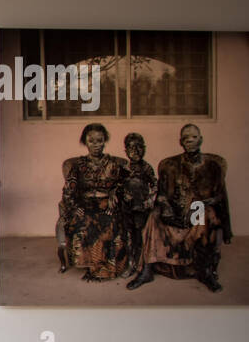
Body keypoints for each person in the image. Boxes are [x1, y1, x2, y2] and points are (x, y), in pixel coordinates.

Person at [127, 124, 231, 293]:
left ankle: (205, 271)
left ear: (201, 139)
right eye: (185, 138)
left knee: (206, 216)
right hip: (175, 211)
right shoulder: (170, 165)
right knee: (154, 216)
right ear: (180, 142)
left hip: (198, 211)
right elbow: (161, 194)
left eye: (194, 137)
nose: (190, 140)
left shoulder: (213, 166)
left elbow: (219, 196)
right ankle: (146, 270)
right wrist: (166, 206)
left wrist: (200, 205)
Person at [55, 123, 128, 280]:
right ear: (85, 142)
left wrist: (115, 193)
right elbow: (68, 189)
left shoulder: (113, 164)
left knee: (111, 219)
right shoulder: (78, 165)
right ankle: (93, 265)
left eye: (99, 140)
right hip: (85, 204)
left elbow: (125, 184)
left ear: (104, 141)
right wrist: (74, 207)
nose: (96, 145)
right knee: (84, 219)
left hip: (107, 204)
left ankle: (108, 266)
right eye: (91, 141)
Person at [119, 132, 157, 278]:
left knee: (140, 236)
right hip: (126, 209)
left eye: (140, 147)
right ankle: (130, 264)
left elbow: (154, 186)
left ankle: (140, 265)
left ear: (145, 148)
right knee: (128, 238)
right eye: (131, 148)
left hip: (141, 209)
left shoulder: (147, 168)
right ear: (126, 151)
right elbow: (118, 186)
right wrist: (123, 194)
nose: (136, 151)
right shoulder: (123, 168)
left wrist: (149, 200)